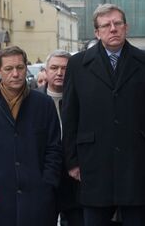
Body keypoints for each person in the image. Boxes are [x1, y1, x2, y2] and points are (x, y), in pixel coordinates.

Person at [62, 4, 145, 226]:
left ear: (126, 27)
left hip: (136, 162)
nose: (113, 29)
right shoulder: (78, 64)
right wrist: (72, 162)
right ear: (97, 32)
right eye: (106, 25)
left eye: (117, 23)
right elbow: (70, 115)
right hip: (93, 163)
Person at [0, 46, 62, 226]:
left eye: (20, 67)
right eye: (9, 69)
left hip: (38, 196)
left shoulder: (43, 104)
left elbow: (54, 149)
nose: (16, 74)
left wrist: (47, 183)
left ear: (26, 68)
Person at [36, 50, 83, 226]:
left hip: (76, 176)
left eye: (65, 68)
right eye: (54, 68)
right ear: (46, 71)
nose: (59, 73)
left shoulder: (83, 98)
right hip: (44, 175)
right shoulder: (33, 100)